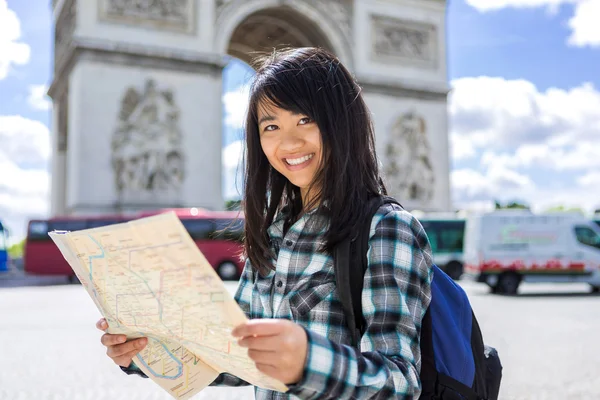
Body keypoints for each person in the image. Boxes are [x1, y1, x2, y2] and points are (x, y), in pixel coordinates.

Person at [97, 47, 434, 399]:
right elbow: (236, 355)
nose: (289, 142)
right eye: (271, 125)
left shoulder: (387, 229)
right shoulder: (273, 234)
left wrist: (308, 363)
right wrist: (146, 350)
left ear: (343, 122)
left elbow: (401, 383)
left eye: (305, 119)